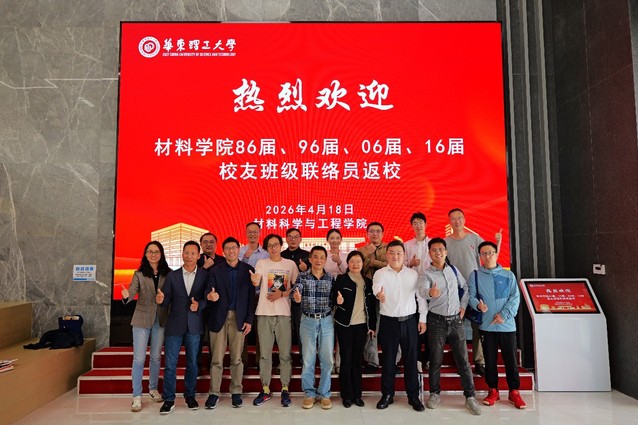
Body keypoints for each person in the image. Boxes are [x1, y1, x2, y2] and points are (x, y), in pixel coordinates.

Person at [419, 237, 482, 415]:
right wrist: (430, 292)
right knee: (435, 359)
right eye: (434, 250)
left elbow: (466, 288)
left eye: (441, 249)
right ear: (429, 253)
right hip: (436, 321)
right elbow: (422, 291)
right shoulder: (426, 274)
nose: (438, 253)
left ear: (446, 252)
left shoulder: (453, 270)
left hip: (456, 321)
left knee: (463, 360)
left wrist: (463, 306)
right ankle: (434, 394)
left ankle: (470, 397)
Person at [468, 241, 526, 410]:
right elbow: (471, 296)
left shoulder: (508, 275)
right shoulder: (475, 275)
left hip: (506, 326)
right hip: (487, 326)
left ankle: (514, 391)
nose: (488, 256)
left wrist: (504, 315)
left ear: (496, 254)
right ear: (480, 256)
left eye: (490, 253)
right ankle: (493, 390)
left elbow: (515, 297)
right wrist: (478, 305)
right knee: (490, 360)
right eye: (484, 253)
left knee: (510, 360)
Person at [445, 208, 502, 376]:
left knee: (478, 326)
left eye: (460, 218)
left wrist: (498, 242)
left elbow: (490, 255)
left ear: (464, 220)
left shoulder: (475, 238)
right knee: (457, 328)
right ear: (449, 221)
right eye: (453, 218)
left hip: (476, 287)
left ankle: (479, 361)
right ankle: (461, 362)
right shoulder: (445, 242)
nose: (457, 221)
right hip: (456, 290)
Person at [372, 240, 427, 412]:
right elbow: (376, 287)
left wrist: (423, 319)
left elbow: (420, 298)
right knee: (389, 360)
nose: (395, 256)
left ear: (404, 255)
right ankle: (387, 394)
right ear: (386, 254)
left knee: (411, 359)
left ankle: (413, 396)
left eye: (399, 253)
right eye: (392, 253)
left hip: (410, 321)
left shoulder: (412, 274)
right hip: (389, 322)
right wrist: (379, 295)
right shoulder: (380, 273)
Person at [156, 241, 208, 415]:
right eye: (186, 252)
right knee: (170, 363)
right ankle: (169, 399)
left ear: (198, 256)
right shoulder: (173, 276)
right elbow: (166, 299)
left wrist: (199, 305)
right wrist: (161, 300)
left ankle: (190, 395)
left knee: (192, 363)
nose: (189, 256)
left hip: (194, 324)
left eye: (193, 253)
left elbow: (208, 299)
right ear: (182, 254)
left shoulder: (204, 275)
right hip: (175, 325)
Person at [204, 237, 256, 409]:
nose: (231, 251)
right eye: (228, 248)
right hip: (218, 316)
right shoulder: (215, 270)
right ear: (223, 251)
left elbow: (250, 299)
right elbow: (208, 290)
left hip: (239, 318)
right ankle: (214, 393)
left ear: (238, 250)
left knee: (237, 358)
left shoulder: (248, 270)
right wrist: (210, 296)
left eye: (234, 248)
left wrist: (249, 320)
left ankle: (236, 392)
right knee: (216, 359)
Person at [121, 241, 171, 412]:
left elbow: (171, 295)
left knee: (156, 357)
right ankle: (136, 396)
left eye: (156, 251)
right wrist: (126, 296)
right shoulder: (139, 274)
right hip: (141, 319)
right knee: (139, 358)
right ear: (145, 254)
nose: (153, 254)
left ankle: (153, 389)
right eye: (150, 251)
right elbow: (132, 291)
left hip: (160, 319)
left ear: (161, 254)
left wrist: (164, 299)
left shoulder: (168, 274)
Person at [250, 234, 298, 407]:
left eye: (276, 244)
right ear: (266, 248)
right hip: (264, 313)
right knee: (265, 354)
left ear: (280, 245)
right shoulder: (262, 263)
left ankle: (285, 388)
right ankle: (265, 389)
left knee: (285, 354)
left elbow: (297, 287)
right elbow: (257, 279)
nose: (273, 248)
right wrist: (255, 280)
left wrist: (282, 294)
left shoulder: (290, 264)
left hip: (284, 314)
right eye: (270, 245)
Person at [331, 250, 377, 408]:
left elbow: (371, 306)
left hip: (362, 326)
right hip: (345, 325)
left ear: (363, 264)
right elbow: (333, 297)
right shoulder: (341, 279)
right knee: (346, 360)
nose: (355, 264)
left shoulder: (368, 282)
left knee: (358, 360)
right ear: (348, 264)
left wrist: (372, 326)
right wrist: (337, 300)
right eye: (352, 261)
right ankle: (347, 396)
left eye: (358, 261)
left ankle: (357, 395)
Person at [291, 246, 334, 410]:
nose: (318, 260)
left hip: (326, 321)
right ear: (310, 259)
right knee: (308, 359)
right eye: (315, 257)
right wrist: (296, 297)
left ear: (325, 260)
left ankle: (324, 394)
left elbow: (334, 299)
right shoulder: (302, 277)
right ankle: (309, 393)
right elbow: (295, 292)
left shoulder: (330, 278)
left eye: (322, 257)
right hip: (308, 321)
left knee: (327, 359)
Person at [403, 212, 432, 372]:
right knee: (415, 326)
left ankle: (428, 358)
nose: (418, 225)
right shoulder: (406, 245)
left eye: (421, 222)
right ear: (412, 226)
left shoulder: (432, 244)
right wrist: (411, 264)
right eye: (415, 223)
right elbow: (400, 266)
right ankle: (417, 358)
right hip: (412, 290)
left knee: (430, 326)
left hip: (430, 290)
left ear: (425, 224)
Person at [359, 221, 387, 370]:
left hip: (387, 292)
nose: (375, 234)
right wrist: (367, 256)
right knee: (371, 325)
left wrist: (372, 262)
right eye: (372, 231)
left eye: (378, 231)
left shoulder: (390, 248)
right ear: (367, 234)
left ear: (383, 234)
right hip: (368, 292)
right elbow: (359, 268)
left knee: (390, 326)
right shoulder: (361, 250)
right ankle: (371, 361)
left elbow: (390, 266)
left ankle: (392, 361)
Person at [281, 227, 310, 364]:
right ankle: (285, 361)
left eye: (296, 237)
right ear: (286, 239)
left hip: (301, 299)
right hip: (283, 298)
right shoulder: (280, 255)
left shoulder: (308, 256)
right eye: (290, 237)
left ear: (301, 239)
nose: (293, 239)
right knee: (284, 331)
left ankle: (304, 360)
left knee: (301, 329)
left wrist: (307, 268)